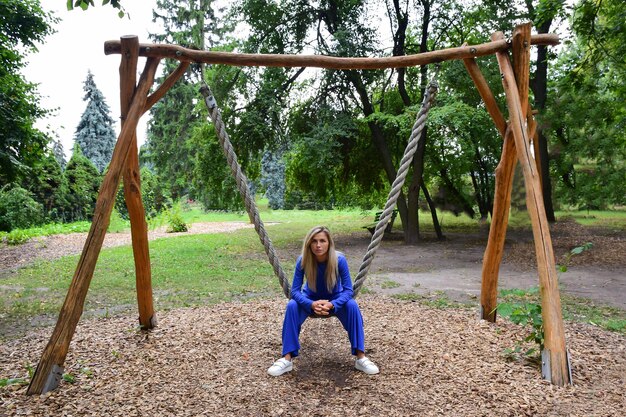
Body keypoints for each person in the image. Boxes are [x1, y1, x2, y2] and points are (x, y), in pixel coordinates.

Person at [267, 226, 379, 376]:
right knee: (292, 305)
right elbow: (294, 291)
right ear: (309, 244)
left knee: (352, 305)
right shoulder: (303, 260)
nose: (318, 245)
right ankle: (286, 358)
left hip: (335, 300)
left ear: (329, 243)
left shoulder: (339, 260)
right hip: (310, 300)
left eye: (322, 241)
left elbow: (348, 291)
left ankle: (361, 357)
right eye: (314, 241)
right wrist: (311, 304)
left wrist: (333, 304)